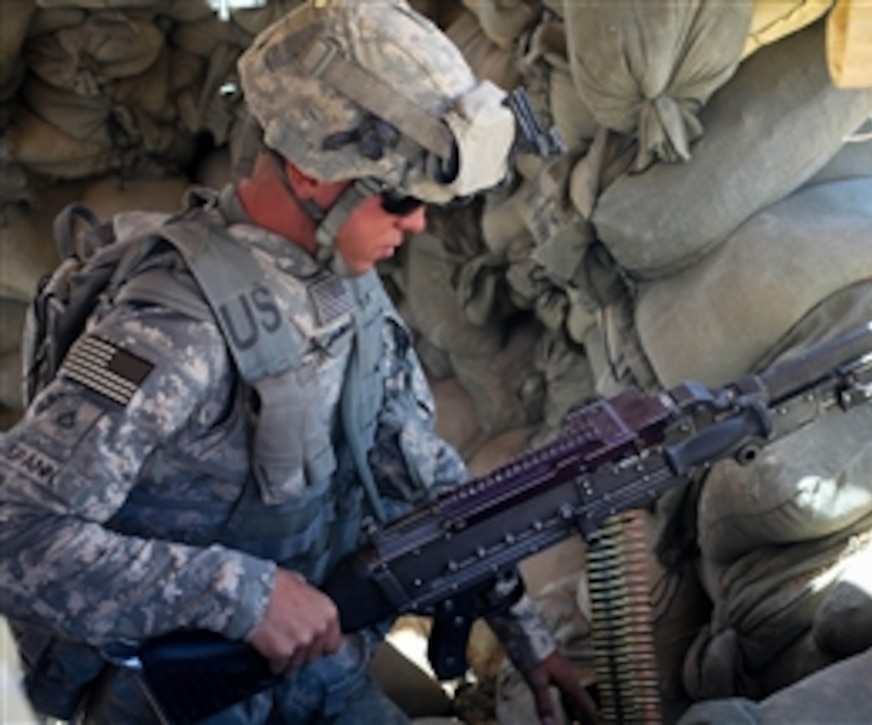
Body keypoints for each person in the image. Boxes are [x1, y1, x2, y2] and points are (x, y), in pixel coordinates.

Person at [0, 1, 598, 723]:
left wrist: (526, 636)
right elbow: (17, 530)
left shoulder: (345, 290)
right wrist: (246, 595)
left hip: (319, 678)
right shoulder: (174, 328)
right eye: (399, 197)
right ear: (314, 173)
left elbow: (417, 471)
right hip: (178, 700)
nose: (417, 223)